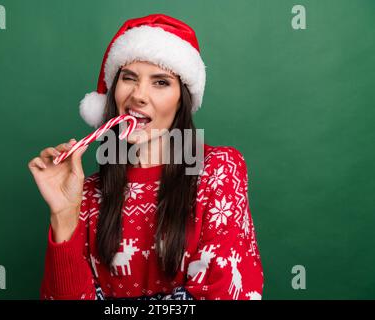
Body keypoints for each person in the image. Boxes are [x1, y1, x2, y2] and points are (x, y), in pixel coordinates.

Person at [28, 13, 264, 300]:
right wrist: (64, 214)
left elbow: (229, 293)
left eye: (161, 82)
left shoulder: (219, 170)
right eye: (129, 78)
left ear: (182, 99)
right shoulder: (86, 195)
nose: (138, 95)